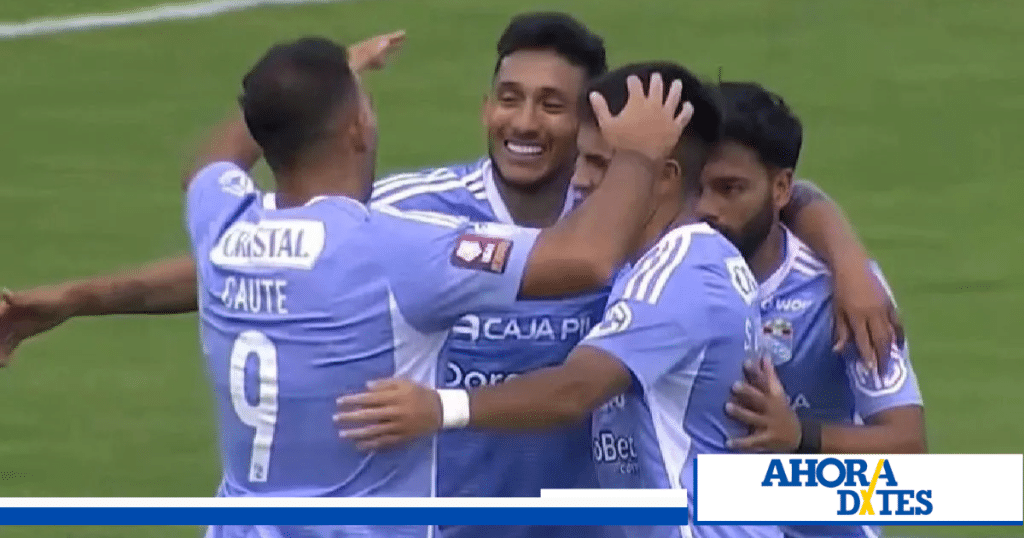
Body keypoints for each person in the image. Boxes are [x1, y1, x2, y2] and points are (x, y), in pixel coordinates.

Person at [185, 32, 689, 537]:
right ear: (357, 127)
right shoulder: (396, 247)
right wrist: (638, 155)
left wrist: (309, 89)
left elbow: (209, 169)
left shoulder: (223, 225)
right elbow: (587, 259)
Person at [333, 62, 782, 538]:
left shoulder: (681, 272)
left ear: (664, 176)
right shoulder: (686, 260)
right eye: (581, 160)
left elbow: (577, 389)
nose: (580, 180)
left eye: (603, 164)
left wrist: (439, 409)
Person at [695, 81, 926, 538]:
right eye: (693, 188)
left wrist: (801, 437)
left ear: (780, 188)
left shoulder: (839, 292)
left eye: (729, 189)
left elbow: (907, 451)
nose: (706, 209)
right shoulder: (654, 270)